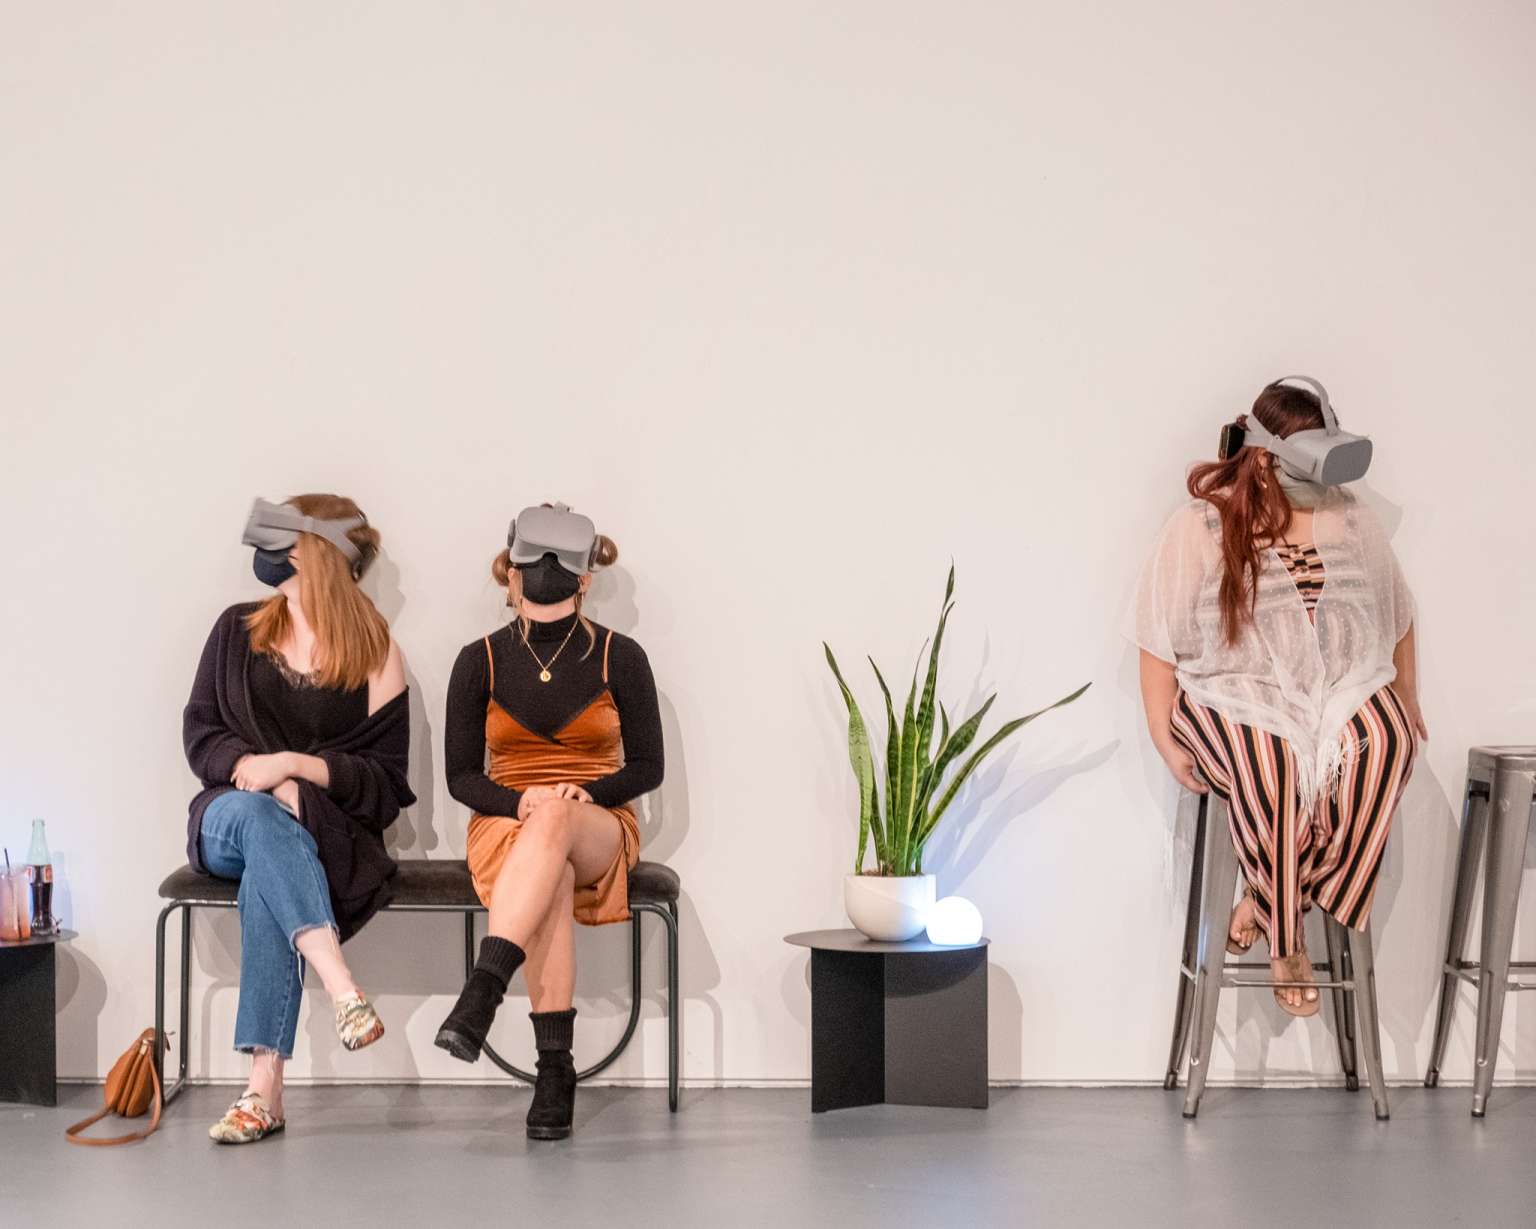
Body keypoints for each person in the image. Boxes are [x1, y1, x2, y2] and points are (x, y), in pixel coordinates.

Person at [1134, 378, 1424, 1017]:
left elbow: (1398, 613)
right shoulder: (1203, 523)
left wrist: (1407, 697)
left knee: (1388, 743)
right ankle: (1287, 940)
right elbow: (1158, 640)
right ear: (1265, 458)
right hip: (1229, 693)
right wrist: (1161, 734)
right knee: (1276, 769)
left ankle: (1267, 901)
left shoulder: (1349, 517)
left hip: (1338, 687)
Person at [183, 495, 414, 1143]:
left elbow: (385, 783)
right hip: (227, 814)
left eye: (285, 540)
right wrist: (256, 770)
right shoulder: (236, 629)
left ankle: (264, 1091)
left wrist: (294, 769)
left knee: (270, 867)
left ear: (319, 553)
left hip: (316, 832)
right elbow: (201, 734)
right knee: (260, 820)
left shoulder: (376, 653)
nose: (270, 553)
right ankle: (341, 985)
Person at [438, 502, 663, 1140]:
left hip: (599, 822)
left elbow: (648, 767)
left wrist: (585, 792)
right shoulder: (477, 660)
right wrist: (520, 804)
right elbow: (461, 777)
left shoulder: (621, 656)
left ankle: (484, 987)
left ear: (586, 579)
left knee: (559, 825)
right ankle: (554, 1070)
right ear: (509, 572)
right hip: (505, 822)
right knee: (551, 873)